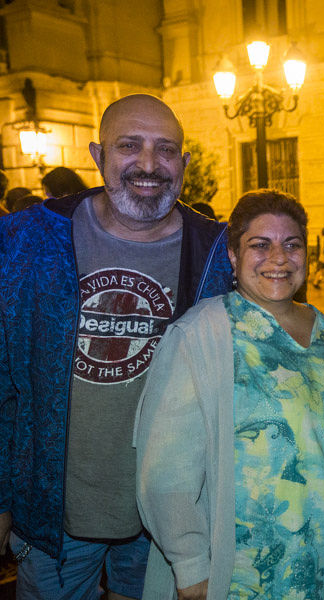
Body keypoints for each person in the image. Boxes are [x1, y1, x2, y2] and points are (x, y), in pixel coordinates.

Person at [0, 94, 232, 599]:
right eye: (129, 145)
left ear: (184, 163)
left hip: (169, 515)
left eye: (165, 149)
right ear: (97, 155)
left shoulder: (220, 253)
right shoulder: (27, 241)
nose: (148, 164)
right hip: (54, 513)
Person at [136, 189, 324, 600]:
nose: (278, 258)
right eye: (259, 245)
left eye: (291, 244)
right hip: (252, 575)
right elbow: (165, 470)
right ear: (232, 255)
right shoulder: (203, 335)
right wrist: (191, 571)